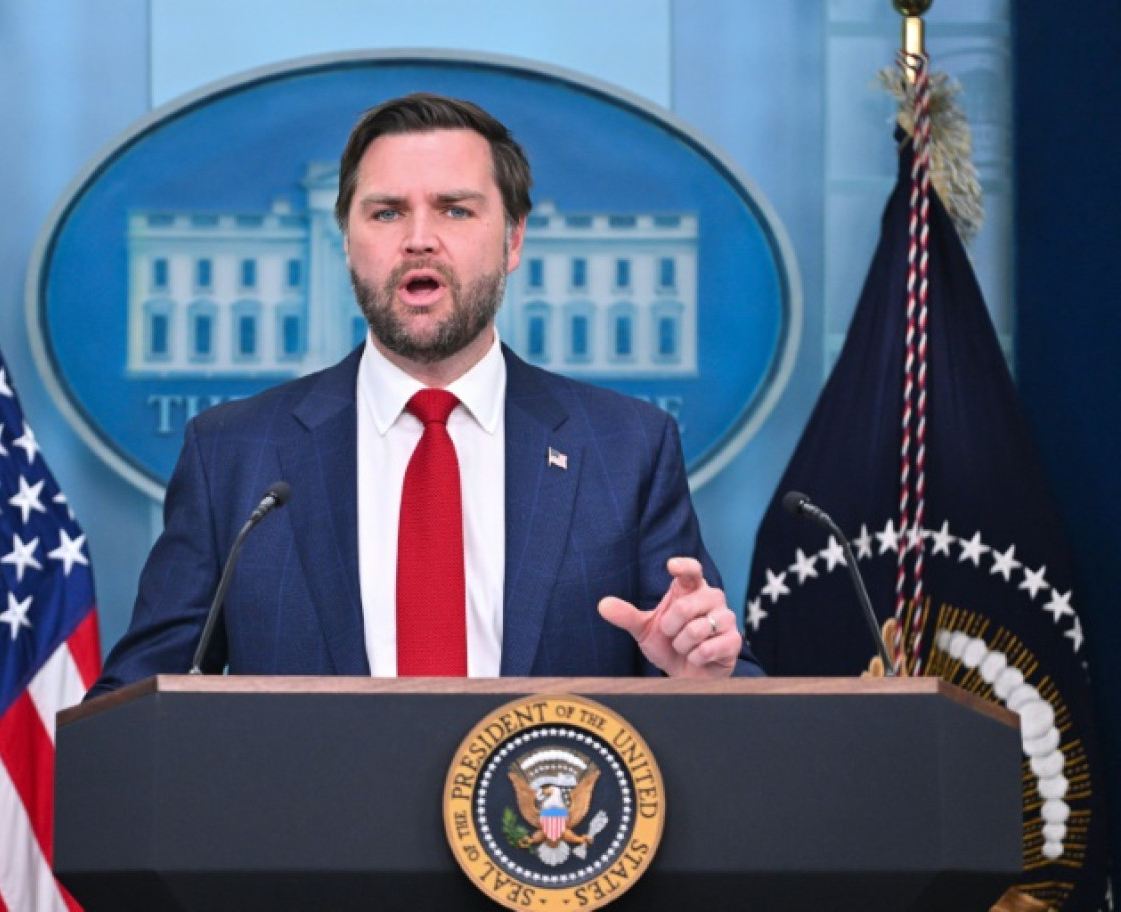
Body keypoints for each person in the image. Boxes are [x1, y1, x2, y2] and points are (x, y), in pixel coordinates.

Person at [88, 93, 762, 696]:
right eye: (385, 212)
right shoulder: (233, 453)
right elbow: (137, 702)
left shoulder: (627, 448)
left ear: (514, 239)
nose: (418, 239)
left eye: (455, 209)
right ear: (348, 242)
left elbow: (713, 677)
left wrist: (703, 680)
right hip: (311, 834)